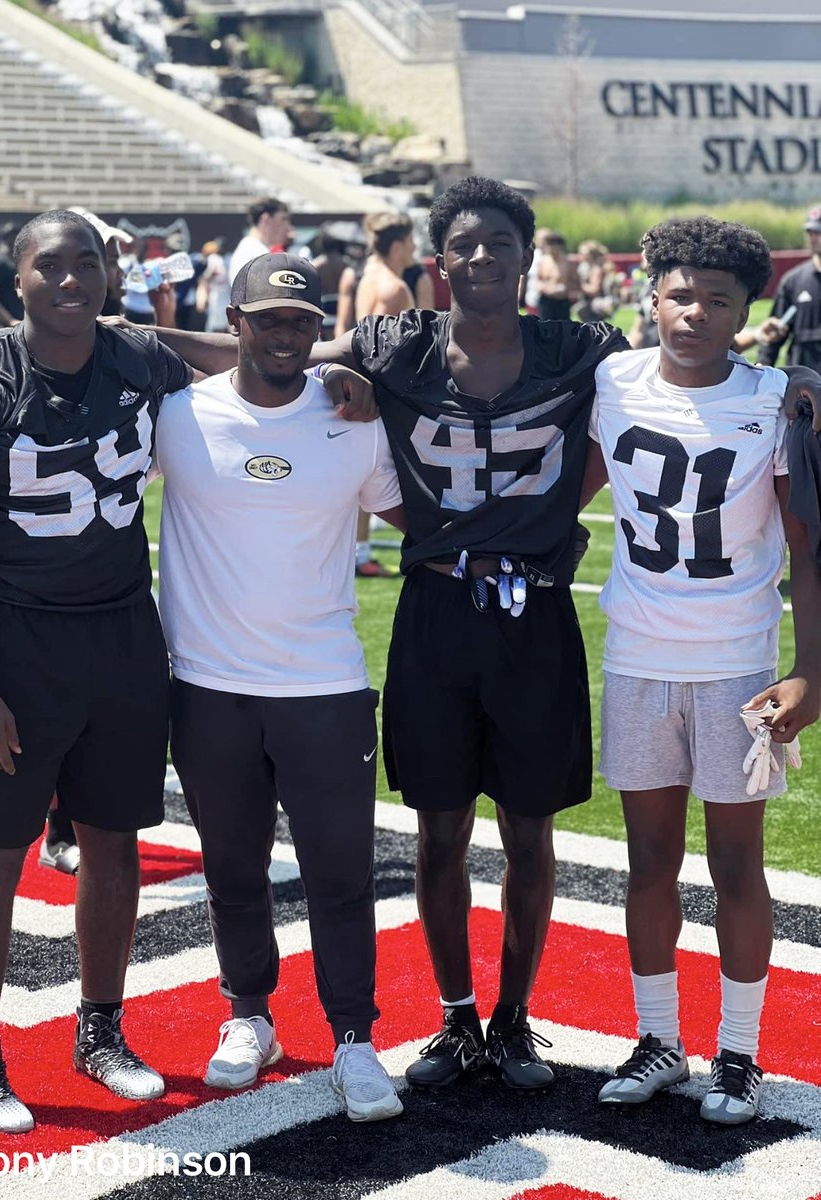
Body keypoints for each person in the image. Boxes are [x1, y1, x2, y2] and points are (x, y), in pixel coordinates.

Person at [143, 176, 626, 1092]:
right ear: (435, 264)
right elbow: (262, 344)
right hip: (438, 612)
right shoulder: (392, 347)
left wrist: (566, 503)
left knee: (530, 834)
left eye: (500, 244)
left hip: (536, 616)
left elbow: (666, 392)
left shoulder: (584, 346)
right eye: (465, 247)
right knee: (437, 834)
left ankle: (514, 1018)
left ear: (529, 257)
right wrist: (113, 338)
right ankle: (454, 1019)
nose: (482, 260)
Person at [0, 209, 192, 1134]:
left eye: (88, 264)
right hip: (13, 645)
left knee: (114, 843)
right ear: (15, 279)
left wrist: (336, 372)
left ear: (109, 273)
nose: (71, 281)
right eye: (50, 266)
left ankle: (100, 1030)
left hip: (120, 638)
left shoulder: (139, 357)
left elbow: (249, 362)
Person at [157, 252, 406, 1123]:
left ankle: (354, 1038)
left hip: (325, 683)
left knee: (342, 873)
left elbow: (418, 514)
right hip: (208, 683)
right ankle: (249, 1016)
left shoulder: (355, 418)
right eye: (267, 319)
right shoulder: (177, 416)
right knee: (233, 868)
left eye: (300, 322)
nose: (285, 335)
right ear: (235, 323)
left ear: (317, 329)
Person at [583, 217, 821, 1125]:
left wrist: (809, 672)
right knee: (649, 862)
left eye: (718, 300)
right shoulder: (610, 380)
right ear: (650, 298)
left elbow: (807, 546)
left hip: (734, 666)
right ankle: (658, 1038)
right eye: (680, 294)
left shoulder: (775, 400)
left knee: (736, 866)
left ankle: (739, 1052)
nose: (695, 312)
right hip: (639, 657)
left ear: (746, 313)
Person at [351, 212, 420, 579]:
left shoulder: (368, 277)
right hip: (385, 391)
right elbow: (406, 349)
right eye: (410, 242)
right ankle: (362, 552)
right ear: (397, 246)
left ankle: (359, 550)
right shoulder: (395, 287)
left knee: (363, 473)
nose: (414, 248)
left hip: (364, 383)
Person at [757, 204, 821, 373]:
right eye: (810, 232)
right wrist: (762, 369)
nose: (813, 238)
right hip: (804, 384)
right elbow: (775, 333)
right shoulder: (793, 281)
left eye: (819, 232)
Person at [228, 196, 293, 283]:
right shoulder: (255, 254)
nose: (288, 227)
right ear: (266, 219)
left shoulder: (254, 250)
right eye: (283, 219)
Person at [535, 232, 581, 321]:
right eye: (548, 245)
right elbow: (538, 281)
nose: (550, 249)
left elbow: (576, 283)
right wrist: (545, 288)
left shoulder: (568, 263)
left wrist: (565, 289)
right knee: (544, 327)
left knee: (562, 328)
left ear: (560, 247)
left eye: (553, 246)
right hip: (545, 300)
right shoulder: (543, 261)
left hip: (562, 302)